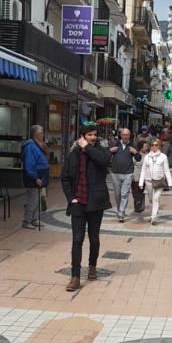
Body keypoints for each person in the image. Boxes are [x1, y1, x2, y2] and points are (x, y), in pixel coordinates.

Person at [61, 123, 112, 292]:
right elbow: (65, 177)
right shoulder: (73, 153)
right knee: (77, 240)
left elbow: (105, 161)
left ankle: (92, 267)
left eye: (94, 134)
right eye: (89, 135)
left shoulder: (101, 150)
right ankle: (75, 276)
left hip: (96, 202)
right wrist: (71, 198)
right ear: (82, 136)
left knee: (94, 238)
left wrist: (87, 148)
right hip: (78, 203)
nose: (93, 137)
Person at [139, 137, 172, 225]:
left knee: (155, 198)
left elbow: (166, 170)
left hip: (159, 181)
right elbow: (143, 170)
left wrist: (170, 182)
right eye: (152, 145)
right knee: (151, 199)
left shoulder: (163, 157)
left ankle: (154, 217)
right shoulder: (147, 157)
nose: (154, 146)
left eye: (156, 145)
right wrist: (141, 182)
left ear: (159, 146)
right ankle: (152, 214)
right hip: (148, 181)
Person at [21, 125, 50, 229]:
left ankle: (34, 219)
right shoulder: (30, 146)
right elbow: (29, 164)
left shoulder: (37, 145)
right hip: (34, 178)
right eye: (42, 133)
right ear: (37, 134)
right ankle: (26, 221)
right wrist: (35, 177)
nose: (43, 135)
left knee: (37, 199)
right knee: (32, 199)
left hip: (40, 177)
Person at [110, 128, 141, 222]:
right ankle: (120, 209)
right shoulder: (115, 143)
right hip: (115, 173)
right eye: (123, 134)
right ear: (120, 135)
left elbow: (139, 158)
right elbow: (106, 154)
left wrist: (135, 152)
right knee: (117, 194)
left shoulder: (133, 144)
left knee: (124, 194)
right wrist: (110, 150)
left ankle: (121, 213)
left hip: (128, 173)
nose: (125, 136)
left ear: (129, 135)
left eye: (127, 135)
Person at [131, 138, 149, 213]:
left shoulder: (148, 155)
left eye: (146, 146)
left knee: (141, 192)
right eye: (145, 146)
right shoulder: (136, 155)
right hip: (136, 177)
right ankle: (137, 207)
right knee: (136, 193)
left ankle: (140, 206)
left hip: (144, 178)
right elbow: (132, 164)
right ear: (141, 147)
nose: (146, 148)